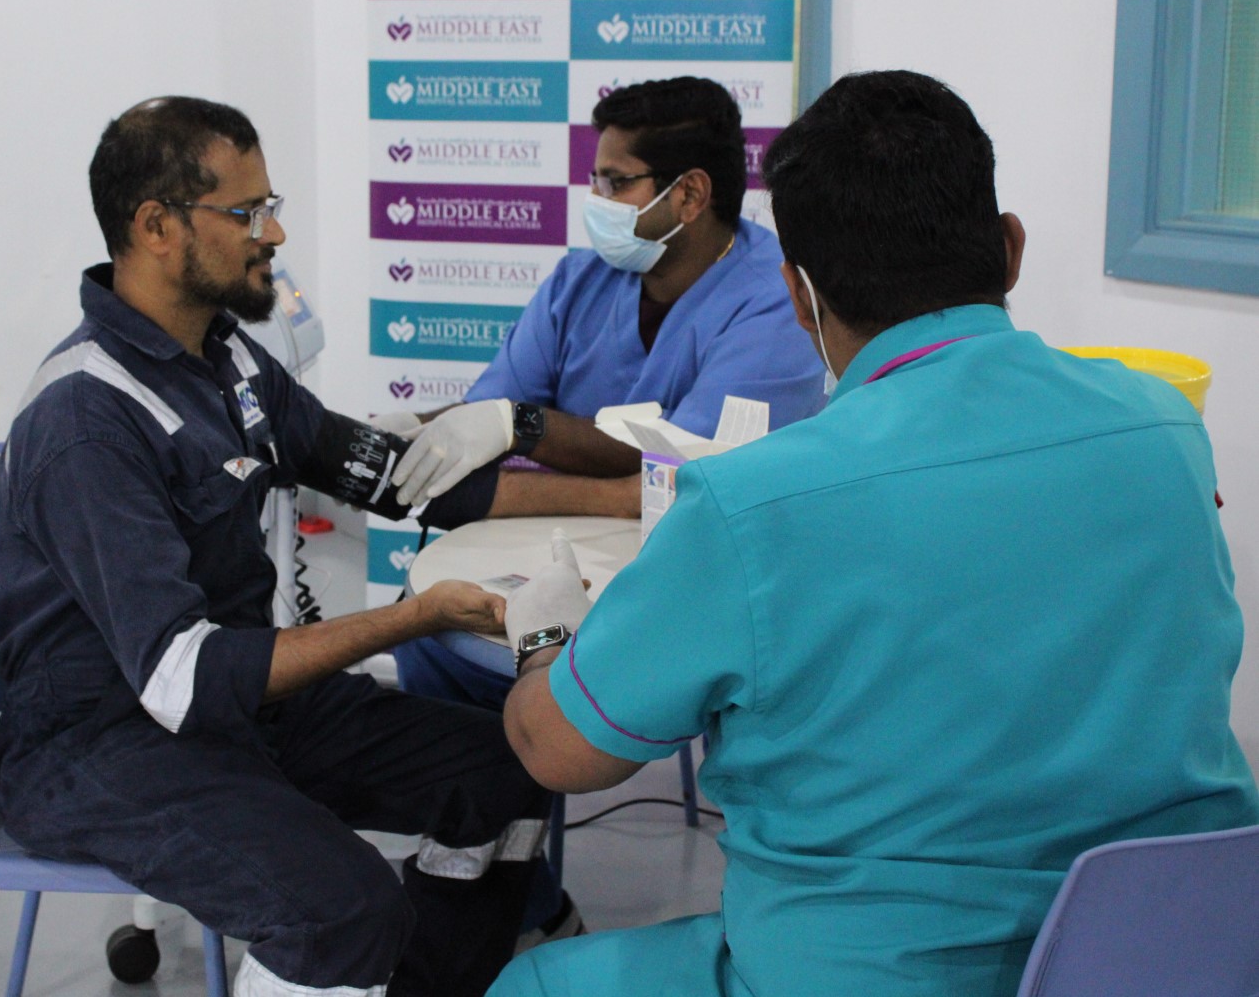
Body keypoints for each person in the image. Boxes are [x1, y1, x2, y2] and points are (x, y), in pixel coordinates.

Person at [490, 70, 1259, 997]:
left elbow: (560, 752)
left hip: (878, 972)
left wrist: (544, 633)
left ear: (799, 296)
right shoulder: (1165, 427)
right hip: (1167, 954)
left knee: (532, 984)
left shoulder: (749, 504)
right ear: (1010, 250)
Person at [0, 96, 635, 997]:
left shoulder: (227, 359)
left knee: (505, 768)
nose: (275, 233)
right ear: (157, 227)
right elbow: (182, 678)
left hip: (235, 709)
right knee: (341, 910)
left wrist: (629, 498)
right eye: (247, 212)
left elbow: (403, 480)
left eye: (270, 205)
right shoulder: (87, 423)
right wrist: (412, 619)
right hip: (102, 747)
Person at [389, 76, 825, 712]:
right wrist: (401, 427)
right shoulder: (581, 279)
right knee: (430, 630)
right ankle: (486, 775)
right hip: (552, 550)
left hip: (694, 573)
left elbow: (681, 466)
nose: (596, 200)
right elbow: (489, 410)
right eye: (595, 180)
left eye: (616, 183)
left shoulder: (772, 300)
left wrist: (521, 433)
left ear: (690, 195)